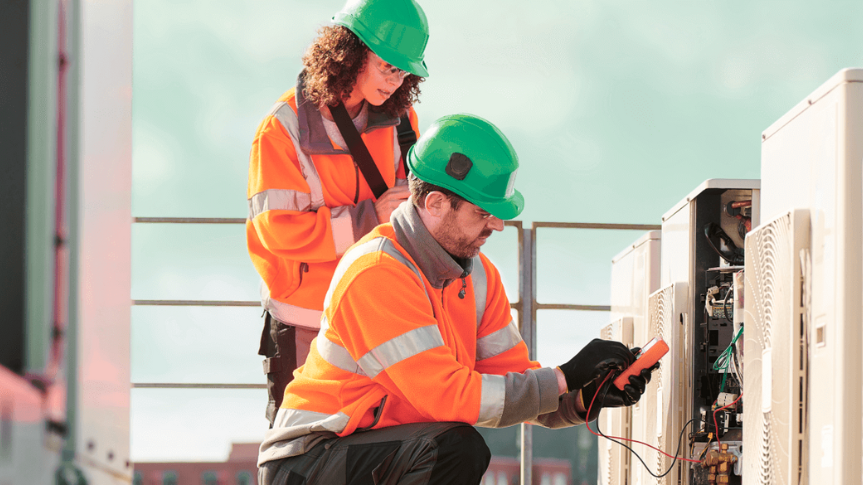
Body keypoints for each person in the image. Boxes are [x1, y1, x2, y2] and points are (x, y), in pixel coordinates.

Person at [256, 114, 656, 485]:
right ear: (434, 205)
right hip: (308, 461)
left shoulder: (478, 276)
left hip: (380, 449)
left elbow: (510, 380)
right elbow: (447, 396)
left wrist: (582, 397)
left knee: (452, 444)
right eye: (484, 213)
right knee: (456, 447)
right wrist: (564, 375)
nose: (497, 225)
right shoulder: (376, 272)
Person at [247, 0, 429, 426]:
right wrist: (370, 218)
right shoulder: (282, 128)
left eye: (404, 71)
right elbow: (278, 231)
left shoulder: (405, 121)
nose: (396, 80)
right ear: (350, 52)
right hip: (305, 322)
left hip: (377, 314)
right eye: (388, 66)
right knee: (302, 455)